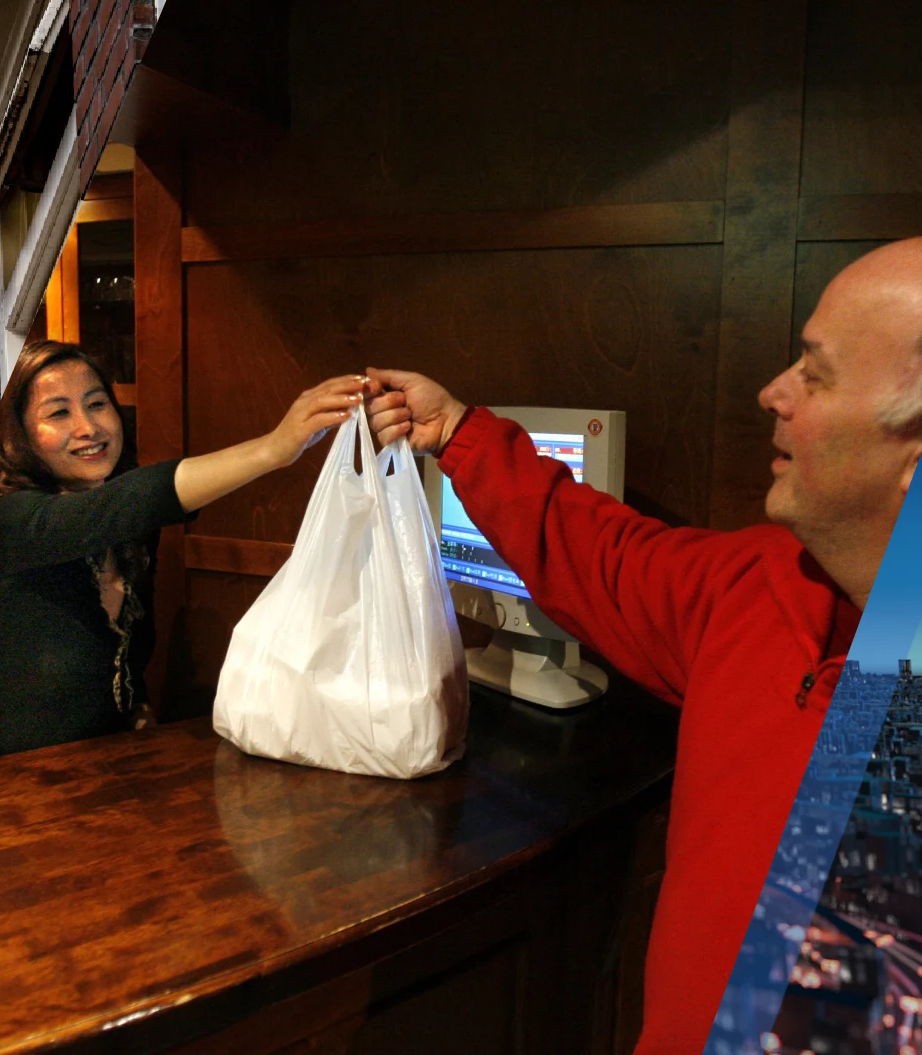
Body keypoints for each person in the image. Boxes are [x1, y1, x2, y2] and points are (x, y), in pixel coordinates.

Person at [362, 237, 922, 1055]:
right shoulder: (760, 581)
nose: (774, 393)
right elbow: (609, 556)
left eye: (816, 372)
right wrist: (460, 434)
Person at [0, 340, 368, 761]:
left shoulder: (130, 533)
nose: (88, 427)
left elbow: (126, 657)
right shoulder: (10, 523)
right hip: (4, 782)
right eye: (59, 412)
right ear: (21, 434)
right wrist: (274, 448)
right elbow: (128, 502)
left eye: (97, 404)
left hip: (100, 772)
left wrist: (136, 709)